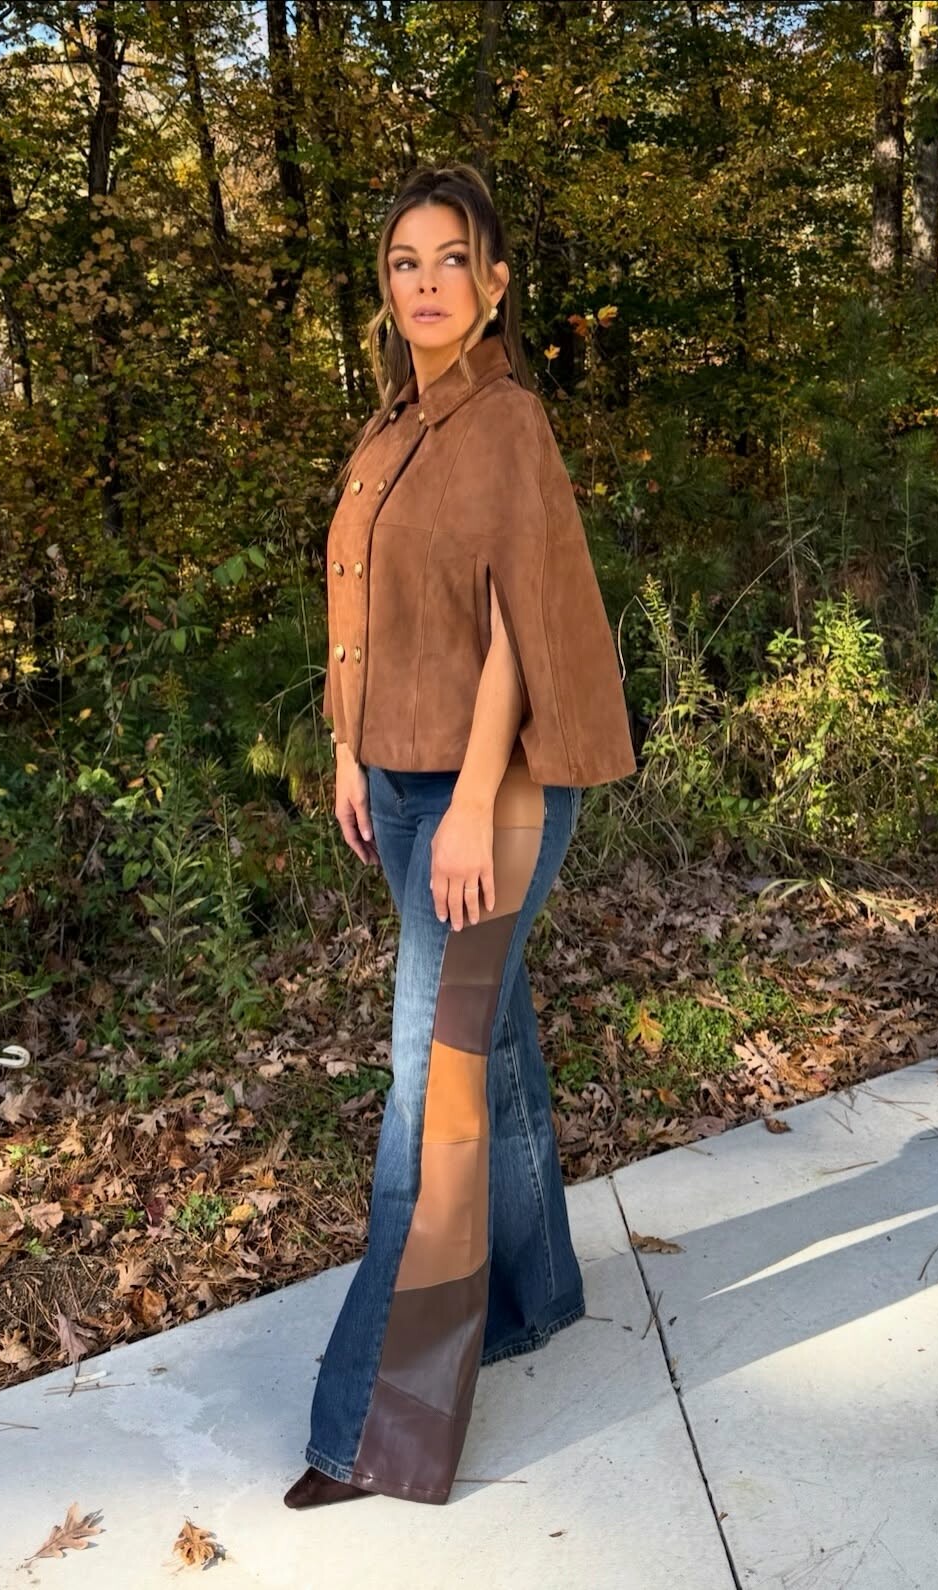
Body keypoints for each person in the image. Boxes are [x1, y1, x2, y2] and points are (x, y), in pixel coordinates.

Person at [284, 163, 636, 1509]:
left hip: (489, 793)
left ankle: (373, 1427)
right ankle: (535, 1295)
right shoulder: (392, 427)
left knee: (424, 1093)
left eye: (451, 260)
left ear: (493, 283)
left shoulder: (503, 422)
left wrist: (476, 805)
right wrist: (344, 747)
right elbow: (365, 603)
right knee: (493, 1042)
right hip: (399, 779)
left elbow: (510, 633)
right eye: (403, 261)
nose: (426, 283)